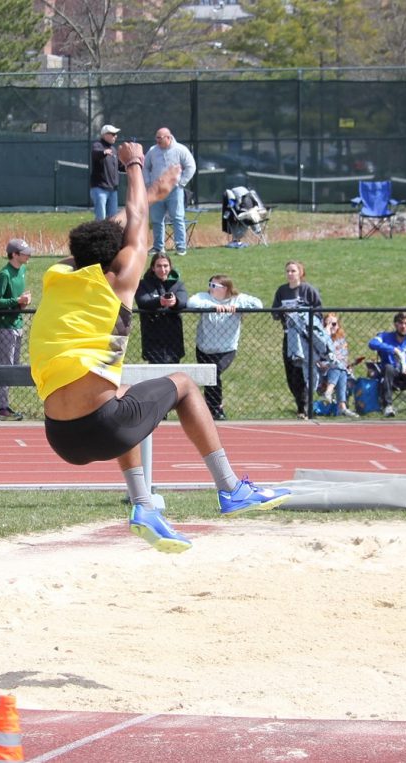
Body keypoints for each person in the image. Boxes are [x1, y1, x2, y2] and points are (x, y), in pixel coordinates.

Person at [28, 142, 289, 556]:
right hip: (104, 428)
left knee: (121, 398)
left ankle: (144, 507)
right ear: (118, 258)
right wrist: (135, 167)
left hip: (60, 437)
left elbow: (115, 229)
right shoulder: (119, 283)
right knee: (183, 384)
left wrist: (149, 196)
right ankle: (230, 488)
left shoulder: (56, 275)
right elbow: (135, 228)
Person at [186, 274, 262, 421]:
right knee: (209, 378)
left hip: (227, 348)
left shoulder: (237, 298)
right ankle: (211, 408)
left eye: (215, 286)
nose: (210, 288)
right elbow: (191, 303)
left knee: (214, 372)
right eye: (210, 284)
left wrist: (237, 308)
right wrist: (214, 307)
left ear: (226, 288)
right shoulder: (204, 297)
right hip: (204, 348)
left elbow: (258, 304)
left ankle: (216, 407)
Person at [0, 238, 32, 420]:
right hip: (4, 326)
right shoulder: (4, 274)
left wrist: (24, 301)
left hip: (17, 323)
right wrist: (17, 301)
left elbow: (16, 298)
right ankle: (0, 406)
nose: (29, 255)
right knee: (4, 366)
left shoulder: (23, 270)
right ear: (14, 255)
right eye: (25, 252)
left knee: (13, 366)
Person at [272, 260, 322, 418]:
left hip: (305, 336)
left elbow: (319, 311)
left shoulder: (308, 290)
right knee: (291, 371)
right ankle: (300, 403)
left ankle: (304, 407)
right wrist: (282, 311)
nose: (290, 274)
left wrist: (304, 315)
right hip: (289, 335)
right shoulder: (282, 291)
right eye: (287, 271)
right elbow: (274, 313)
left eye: (293, 271)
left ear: (300, 272)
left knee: (303, 370)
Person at [144, 127, 196, 256]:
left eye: (160, 138)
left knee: (177, 217)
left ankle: (181, 247)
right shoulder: (152, 151)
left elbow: (191, 166)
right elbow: (145, 167)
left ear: (168, 137)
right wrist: (149, 183)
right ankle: (158, 248)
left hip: (174, 191)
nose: (157, 141)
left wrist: (181, 183)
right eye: (156, 138)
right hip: (157, 191)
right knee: (156, 220)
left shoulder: (180, 150)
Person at [135, 252, 186, 364]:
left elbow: (183, 301)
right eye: (159, 266)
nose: (162, 269)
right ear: (153, 268)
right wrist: (160, 301)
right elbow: (142, 301)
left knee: (173, 373)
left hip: (173, 335)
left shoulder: (178, 284)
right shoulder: (143, 284)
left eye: (165, 266)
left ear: (170, 267)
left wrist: (175, 302)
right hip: (152, 334)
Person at [319, 312, 359, 418]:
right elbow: (318, 360)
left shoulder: (341, 340)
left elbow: (343, 360)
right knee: (337, 367)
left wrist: (351, 364)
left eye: (334, 324)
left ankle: (337, 402)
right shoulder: (319, 340)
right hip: (323, 371)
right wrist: (325, 333)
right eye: (328, 324)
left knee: (340, 369)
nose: (332, 326)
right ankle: (341, 406)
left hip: (340, 370)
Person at [90, 124, 121, 220]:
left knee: (113, 220)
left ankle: (109, 236)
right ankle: (99, 235)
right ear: (105, 135)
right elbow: (96, 154)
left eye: (116, 134)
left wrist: (132, 164)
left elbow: (120, 166)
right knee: (101, 219)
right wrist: (103, 153)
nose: (115, 136)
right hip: (100, 189)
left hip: (113, 190)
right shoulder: (97, 145)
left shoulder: (113, 150)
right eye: (113, 134)